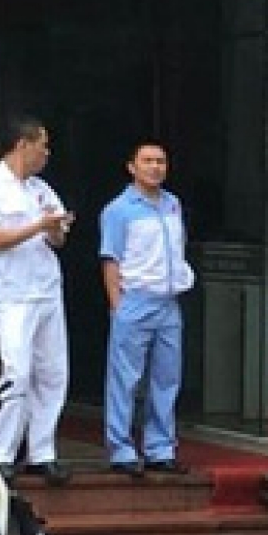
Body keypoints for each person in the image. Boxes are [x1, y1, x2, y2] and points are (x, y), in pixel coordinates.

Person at [0, 116, 73, 486]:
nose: (46, 153)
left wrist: (55, 229)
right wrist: (38, 226)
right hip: (13, 292)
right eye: (42, 145)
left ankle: (42, 451)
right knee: (16, 371)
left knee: (52, 372)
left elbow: (58, 238)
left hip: (47, 287)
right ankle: (1, 451)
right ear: (22, 144)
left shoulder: (41, 189)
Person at [99, 140, 195, 477]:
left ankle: (160, 448)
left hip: (168, 301)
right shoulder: (119, 209)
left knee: (167, 378)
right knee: (125, 378)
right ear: (132, 167)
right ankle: (121, 449)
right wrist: (117, 304)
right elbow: (111, 259)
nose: (155, 167)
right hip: (135, 298)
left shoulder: (172, 205)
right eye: (148, 161)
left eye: (161, 161)